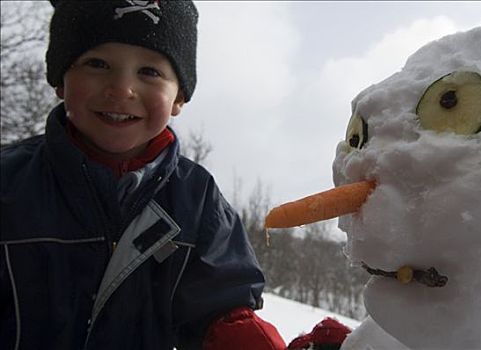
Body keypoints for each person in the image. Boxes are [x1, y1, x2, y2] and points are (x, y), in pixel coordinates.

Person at [0, 1, 288, 349]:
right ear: (61, 80)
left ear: (178, 96)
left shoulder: (198, 201)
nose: (122, 89)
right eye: (97, 63)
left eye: (149, 71)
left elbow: (224, 312)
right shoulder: (10, 182)